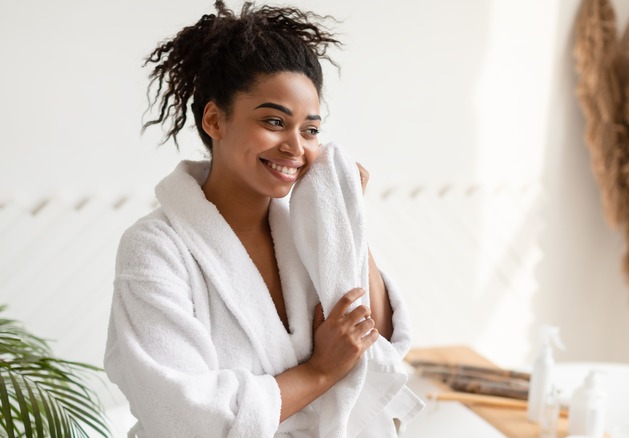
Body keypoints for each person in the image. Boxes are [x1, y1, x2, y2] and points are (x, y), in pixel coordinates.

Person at [104, 1, 416, 436]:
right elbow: (183, 412)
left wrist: (347, 221)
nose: (296, 146)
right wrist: (320, 372)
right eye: (274, 121)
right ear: (214, 120)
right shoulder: (155, 248)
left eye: (310, 130)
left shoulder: (307, 230)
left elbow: (374, 347)